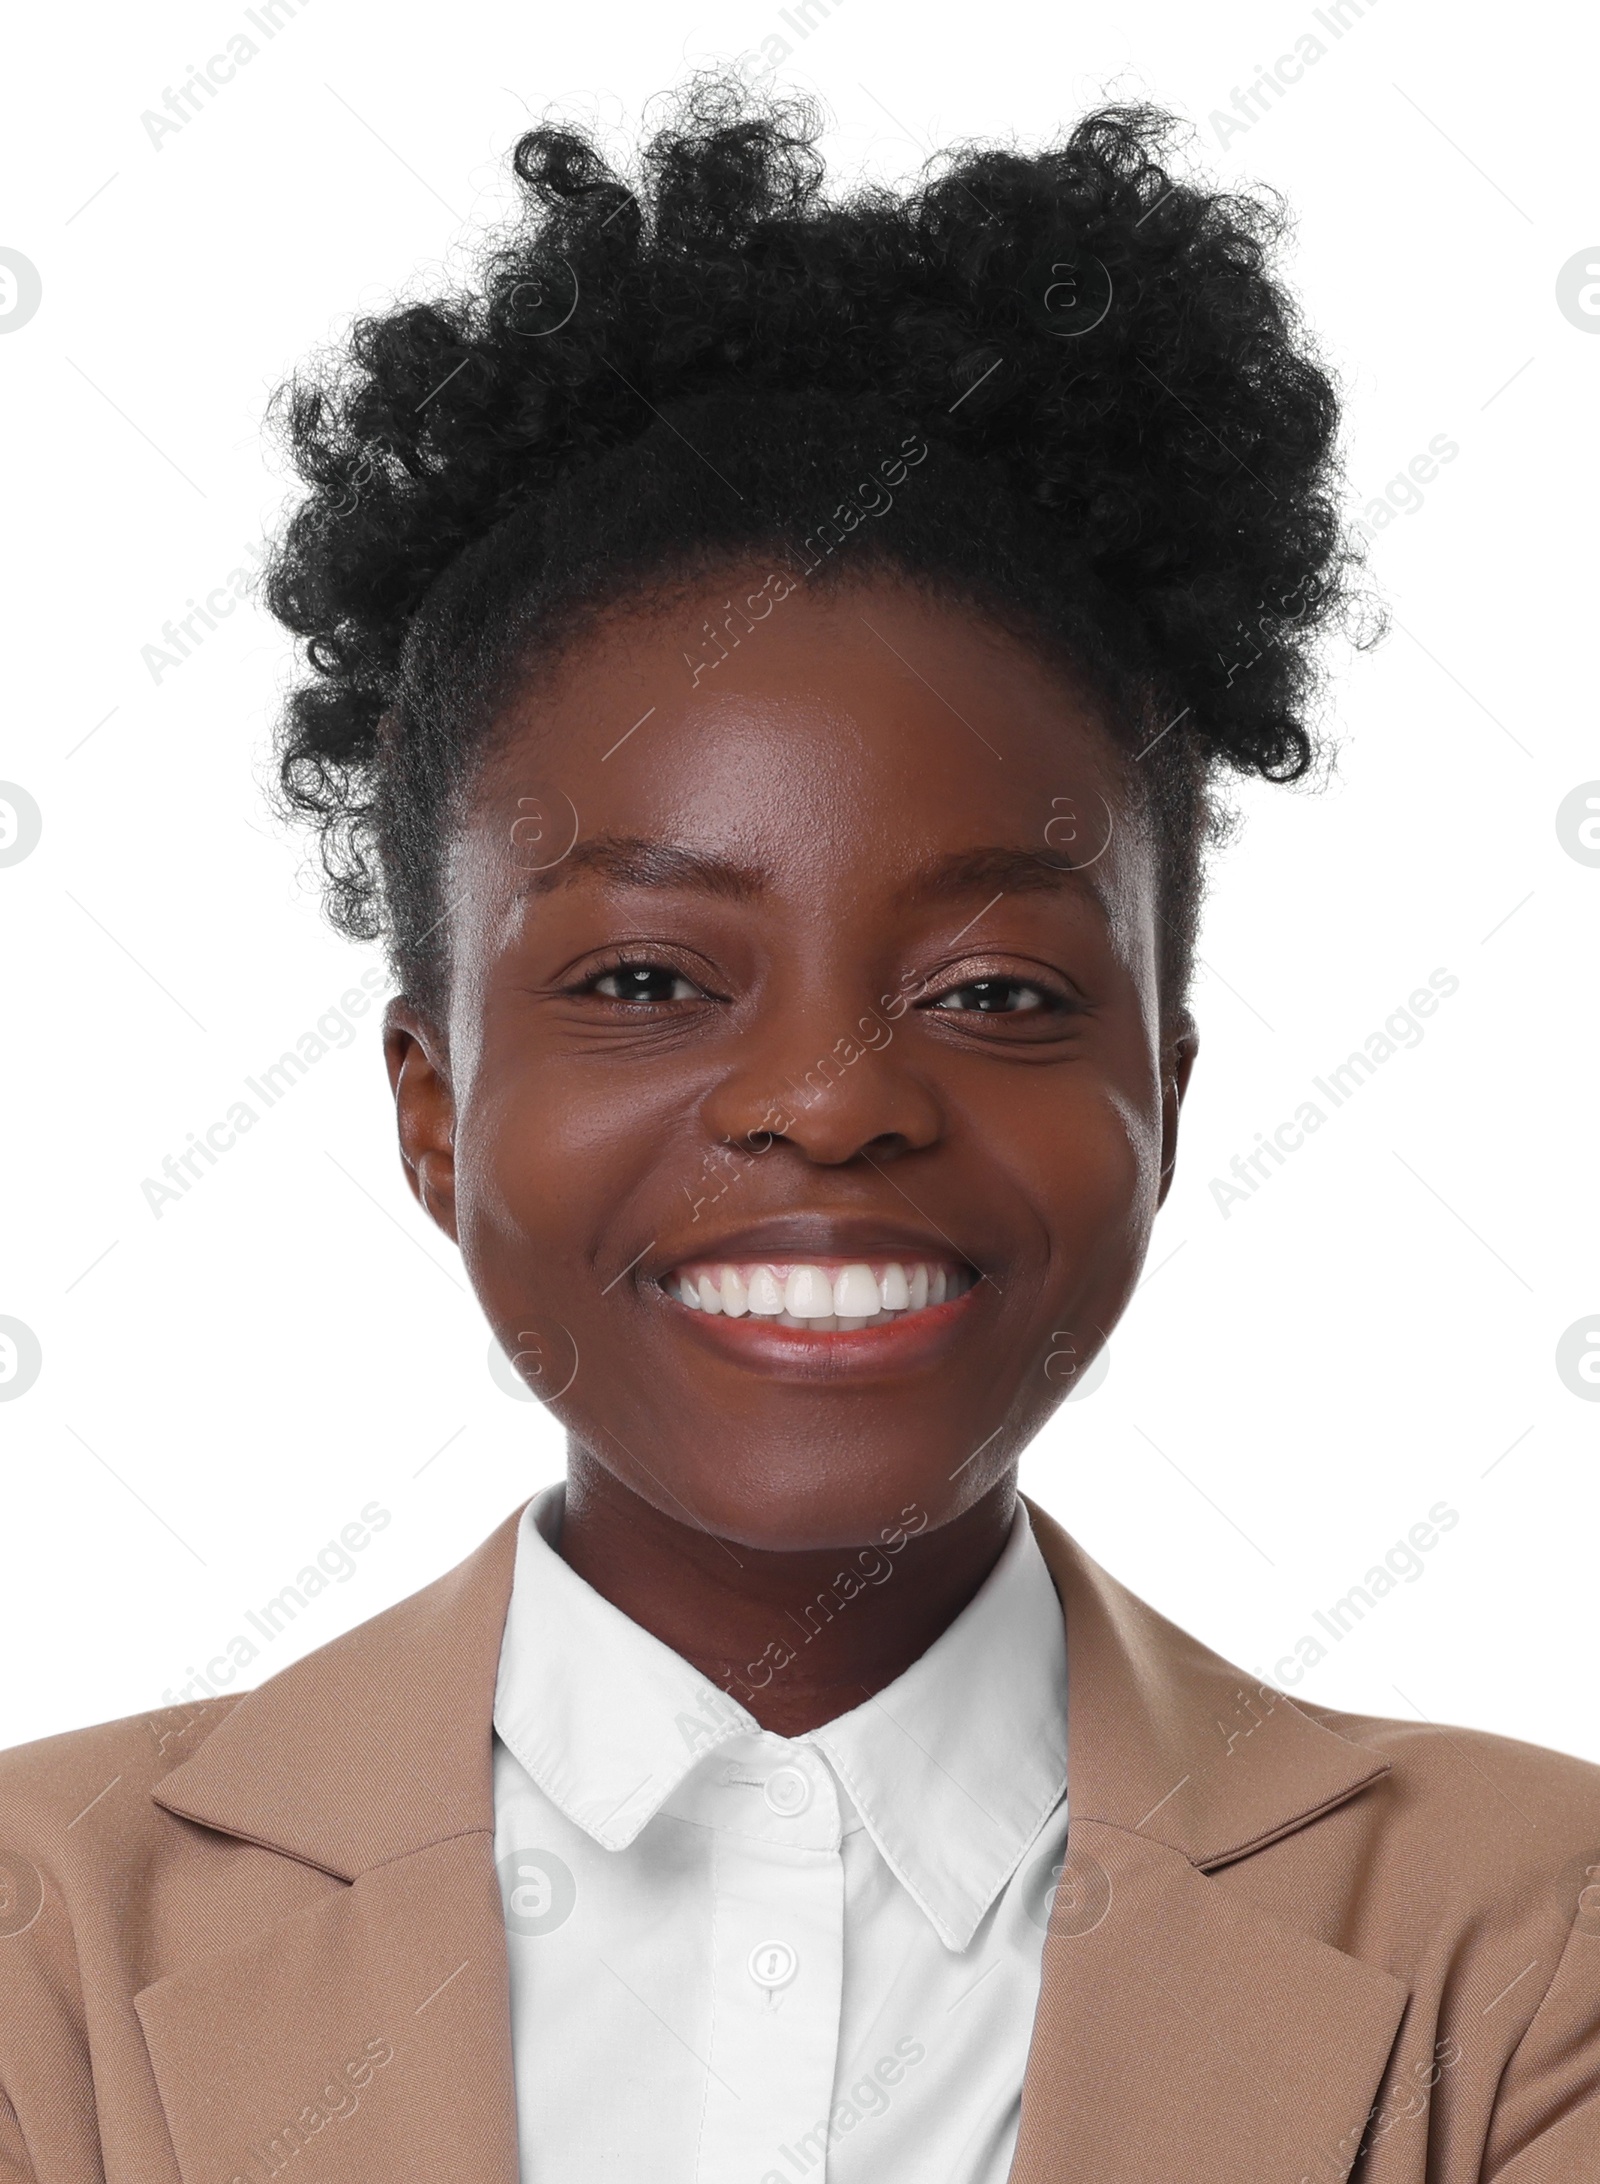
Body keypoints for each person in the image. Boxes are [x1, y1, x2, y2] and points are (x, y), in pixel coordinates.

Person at [2, 77, 1596, 2184]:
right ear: (431, 1108)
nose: (832, 1104)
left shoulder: (1523, 1947)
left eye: (997, 993)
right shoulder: (46, 1950)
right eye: (647, 981)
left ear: (1162, 1098)